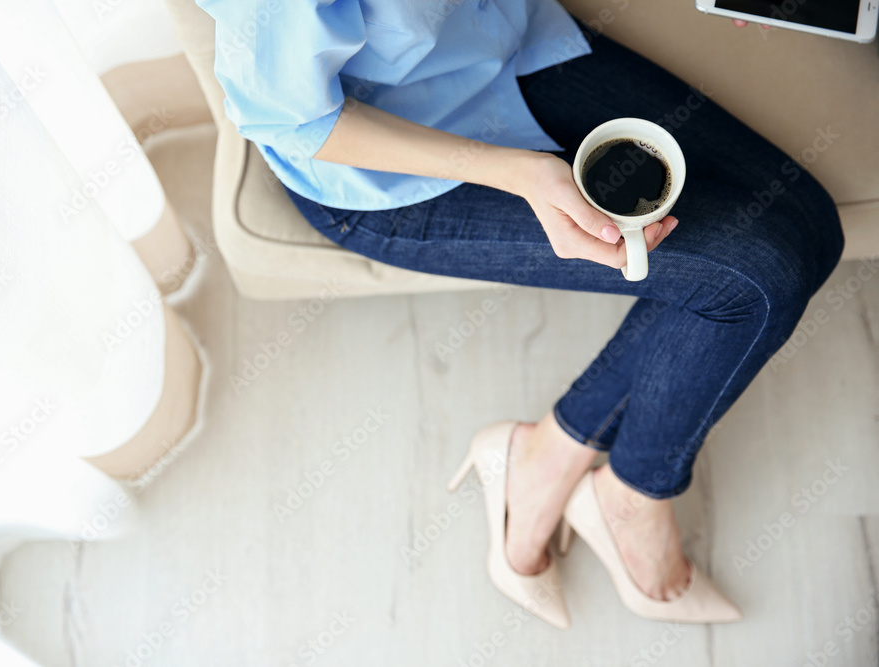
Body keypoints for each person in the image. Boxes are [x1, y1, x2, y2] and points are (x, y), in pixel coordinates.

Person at [198, 0, 843, 627]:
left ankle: (546, 455)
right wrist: (521, 174)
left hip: (509, 40)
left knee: (812, 223)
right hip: (382, 160)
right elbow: (295, 123)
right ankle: (634, 494)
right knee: (759, 280)